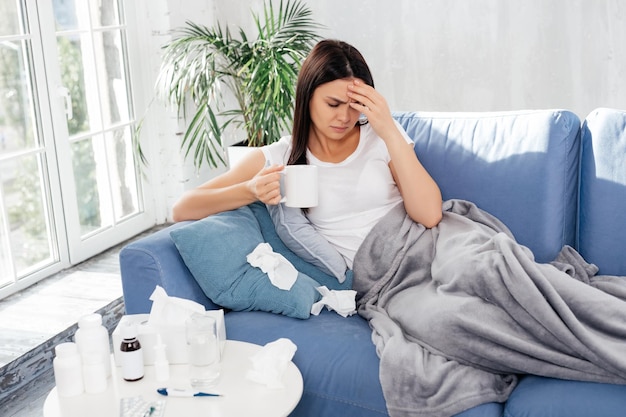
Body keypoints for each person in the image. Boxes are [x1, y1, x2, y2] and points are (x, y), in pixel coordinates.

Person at [172, 39, 443, 268]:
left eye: (354, 105)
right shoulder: (281, 155)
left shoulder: (382, 134)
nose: (345, 116)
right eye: (332, 103)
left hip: (425, 248)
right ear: (307, 96)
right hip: (382, 273)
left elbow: (430, 215)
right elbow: (183, 208)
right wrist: (251, 190)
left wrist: (389, 131)